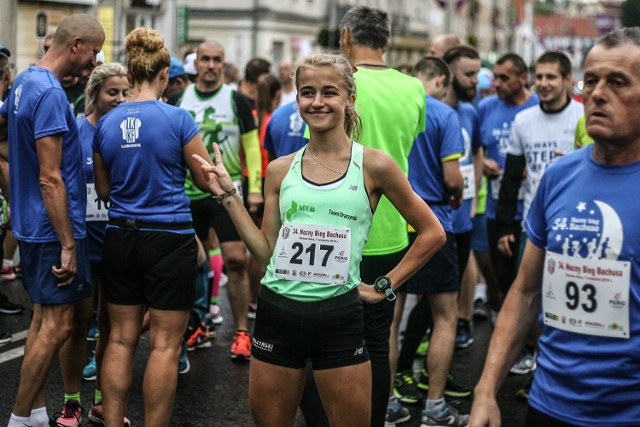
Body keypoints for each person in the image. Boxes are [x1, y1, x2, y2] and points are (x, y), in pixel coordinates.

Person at [193, 52, 445, 427]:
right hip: (277, 313)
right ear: (296, 100)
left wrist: (385, 286)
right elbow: (267, 255)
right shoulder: (280, 169)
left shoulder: (375, 165)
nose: (317, 102)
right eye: (307, 92)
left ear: (349, 98)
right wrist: (229, 197)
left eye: (329, 92)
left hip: (338, 318)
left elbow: (432, 233)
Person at [469, 27, 640, 427]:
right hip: (549, 403)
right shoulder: (559, 175)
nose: (597, 94)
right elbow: (526, 292)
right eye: (591, 80)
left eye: (618, 82)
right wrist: (486, 389)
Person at [92, 27, 212, 427]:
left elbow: (105, 190)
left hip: (120, 236)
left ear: (129, 74)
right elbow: (204, 180)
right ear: (164, 75)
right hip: (169, 237)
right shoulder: (178, 118)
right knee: (163, 344)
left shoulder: (107, 123)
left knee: (121, 339)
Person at [0, 14, 104, 427]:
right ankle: (20, 417)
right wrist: (66, 243)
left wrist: (16, 191)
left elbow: (5, 133)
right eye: (94, 51)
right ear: (75, 44)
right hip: (51, 227)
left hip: (33, 222)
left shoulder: (25, 80)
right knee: (57, 325)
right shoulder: (49, 93)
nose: (95, 61)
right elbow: (51, 176)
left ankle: (37, 411)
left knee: (45, 321)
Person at [169, 40, 263, 360]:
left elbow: (251, 146)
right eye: (205, 59)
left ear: (224, 64)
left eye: (217, 60)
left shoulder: (236, 99)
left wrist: (255, 187)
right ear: (197, 64)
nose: (210, 65)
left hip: (227, 190)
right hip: (188, 190)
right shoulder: (179, 97)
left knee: (235, 259)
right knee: (190, 264)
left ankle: (240, 332)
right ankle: (197, 323)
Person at [392, 55, 470, 427]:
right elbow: (452, 177)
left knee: (390, 318)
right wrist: (457, 194)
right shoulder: (444, 114)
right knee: (445, 316)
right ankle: (435, 406)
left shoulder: (396, 108)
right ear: (441, 80)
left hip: (393, 220)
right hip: (434, 221)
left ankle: (389, 400)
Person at [75, 62, 131, 426]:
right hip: (81, 240)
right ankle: (69, 401)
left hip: (114, 239)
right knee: (78, 323)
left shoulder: (128, 131)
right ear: (94, 94)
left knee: (110, 328)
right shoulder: (75, 130)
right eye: (113, 92)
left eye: (126, 92)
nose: (121, 99)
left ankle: (100, 403)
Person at [477, 53, 539, 341]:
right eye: (495, 77)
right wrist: (484, 164)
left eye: (504, 78)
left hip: (531, 214)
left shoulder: (538, 108)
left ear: (522, 79)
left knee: (529, 286)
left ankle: (529, 346)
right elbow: (474, 148)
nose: (496, 83)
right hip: (497, 211)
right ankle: (507, 341)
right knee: (502, 282)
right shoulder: (486, 107)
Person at [441, 45, 484, 350]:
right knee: (439, 283)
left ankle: (462, 321)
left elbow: (478, 152)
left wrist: (473, 196)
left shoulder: (471, 111)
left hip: (464, 211)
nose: (475, 81)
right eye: (469, 74)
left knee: (464, 268)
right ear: (450, 73)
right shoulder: (432, 110)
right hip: (438, 213)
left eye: (477, 74)